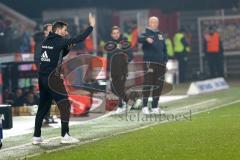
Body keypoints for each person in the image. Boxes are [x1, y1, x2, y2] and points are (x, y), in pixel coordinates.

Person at [33, 13, 95, 145]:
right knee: (65, 104)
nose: (66, 33)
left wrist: (67, 48)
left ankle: (36, 136)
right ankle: (65, 135)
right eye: (65, 30)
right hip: (53, 79)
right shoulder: (60, 41)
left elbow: (58, 53)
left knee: (43, 107)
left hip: (42, 79)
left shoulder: (45, 42)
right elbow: (80, 38)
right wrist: (91, 26)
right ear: (58, 30)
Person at [138, 16, 167, 115]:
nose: (155, 23)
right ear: (149, 23)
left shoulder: (160, 34)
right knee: (148, 84)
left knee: (158, 85)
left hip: (160, 63)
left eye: (156, 22)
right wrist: (146, 39)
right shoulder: (145, 33)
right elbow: (139, 38)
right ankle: (144, 106)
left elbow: (164, 48)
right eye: (152, 22)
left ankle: (155, 106)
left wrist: (165, 60)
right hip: (150, 63)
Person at [106, 26, 133, 114]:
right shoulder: (110, 45)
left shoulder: (124, 43)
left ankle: (121, 106)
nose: (116, 35)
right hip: (113, 71)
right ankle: (130, 102)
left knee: (119, 88)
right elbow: (108, 58)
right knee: (113, 89)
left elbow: (131, 55)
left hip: (122, 70)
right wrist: (107, 70)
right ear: (111, 35)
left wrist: (124, 62)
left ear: (120, 33)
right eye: (114, 33)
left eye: (117, 33)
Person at [33, 24, 56, 124]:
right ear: (45, 31)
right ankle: (44, 116)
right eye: (51, 30)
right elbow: (37, 58)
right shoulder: (41, 42)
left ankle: (47, 116)